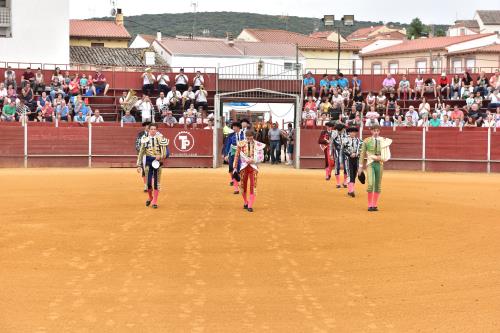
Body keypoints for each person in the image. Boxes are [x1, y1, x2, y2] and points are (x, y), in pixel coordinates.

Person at [358, 123, 392, 212]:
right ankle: (369, 205)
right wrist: (360, 167)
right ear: (371, 131)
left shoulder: (384, 141)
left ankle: (374, 204)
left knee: (377, 185)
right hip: (370, 163)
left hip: (379, 164)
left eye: (377, 131)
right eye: (374, 131)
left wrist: (384, 158)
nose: (376, 132)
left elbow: (386, 153)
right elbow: (362, 154)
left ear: (379, 131)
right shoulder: (366, 141)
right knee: (370, 184)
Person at [136, 123, 170, 209]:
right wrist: (139, 165)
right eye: (151, 129)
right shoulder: (144, 139)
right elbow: (141, 153)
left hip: (157, 162)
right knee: (148, 183)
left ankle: (154, 201)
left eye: (155, 129)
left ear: (157, 130)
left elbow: (166, 153)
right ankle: (150, 197)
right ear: (149, 130)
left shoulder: (161, 139)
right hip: (148, 162)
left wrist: (161, 156)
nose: (153, 130)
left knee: (156, 183)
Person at [233, 130, 266, 212]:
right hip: (243, 167)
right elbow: (236, 156)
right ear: (245, 137)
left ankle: (250, 205)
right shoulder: (241, 144)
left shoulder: (258, 145)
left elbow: (262, 157)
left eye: (250, 137)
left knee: (253, 185)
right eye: (247, 138)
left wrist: (253, 160)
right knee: (243, 186)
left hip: (253, 167)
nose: (248, 139)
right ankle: (245, 202)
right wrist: (234, 168)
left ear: (253, 136)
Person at [223, 121, 244, 194]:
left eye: (235, 127)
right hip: (232, 153)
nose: (233, 128)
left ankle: (241, 185)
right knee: (232, 169)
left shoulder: (243, 134)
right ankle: (236, 188)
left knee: (241, 170)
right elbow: (228, 145)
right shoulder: (231, 135)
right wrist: (226, 154)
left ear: (238, 127)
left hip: (242, 154)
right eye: (233, 127)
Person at [343, 127, 362, 197]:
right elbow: (344, 149)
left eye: (354, 132)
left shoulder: (359, 141)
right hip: (348, 159)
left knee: (354, 174)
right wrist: (350, 154)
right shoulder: (345, 140)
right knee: (349, 174)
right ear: (349, 132)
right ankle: (351, 191)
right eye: (351, 132)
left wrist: (356, 154)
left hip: (356, 159)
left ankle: (350, 189)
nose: (352, 133)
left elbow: (360, 149)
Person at [331, 123, 348, 188]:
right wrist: (331, 154)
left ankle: (345, 182)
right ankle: (338, 183)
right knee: (337, 166)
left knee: (346, 167)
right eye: (343, 129)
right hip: (337, 152)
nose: (344, 130)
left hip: (345, 152)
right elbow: (331, 144)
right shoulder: (334, 134)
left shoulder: (345, 134)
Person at [136, 122, 151, 192]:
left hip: (152, 155)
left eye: (149, 126)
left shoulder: (154, 134)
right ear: (145, 127)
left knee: (152, 170)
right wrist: (141, 152)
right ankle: (146, 185)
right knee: (144, 170)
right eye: (146, 126)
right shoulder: (140, 134)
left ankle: (150, 184)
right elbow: (137, 144)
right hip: (144, 155)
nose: (147, 127)